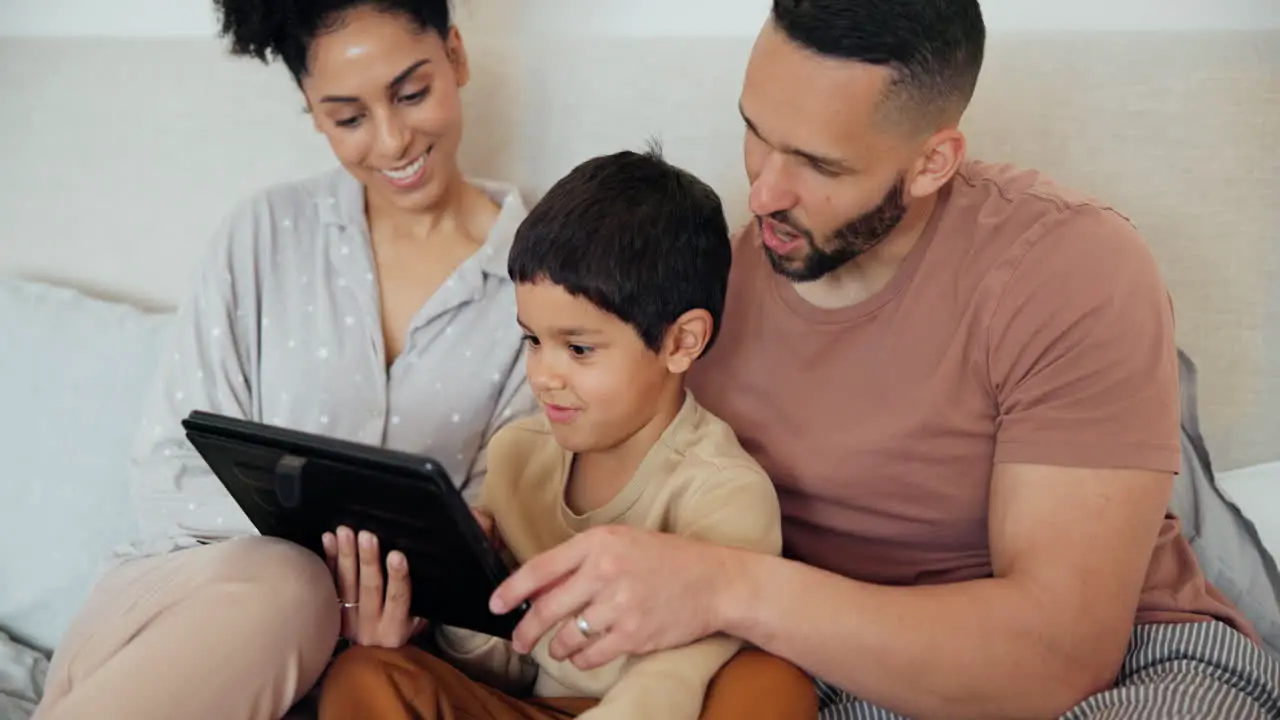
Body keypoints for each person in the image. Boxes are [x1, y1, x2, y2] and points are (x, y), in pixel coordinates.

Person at [482, 2, 1280, 719]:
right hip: (816, 669)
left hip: (1127, 671)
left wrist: (720, 585)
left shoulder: (1070, 271)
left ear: (933, 162)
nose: (761, 191)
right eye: (755, 131)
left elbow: (1059, 660)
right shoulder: (709, 294)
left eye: (819, 165)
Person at [34, 2, 538, 718]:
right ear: (311, 109)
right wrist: (325, 585)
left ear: (455, 55)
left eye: (412, 93)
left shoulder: (540, 288)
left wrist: (401, 621)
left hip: (363, 670)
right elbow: (169, 478)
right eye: (348, 117)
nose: (393, 141)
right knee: (291, 589)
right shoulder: (263, 236)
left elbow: (493, 581)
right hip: (171, 620)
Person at [317, 146, 818, 720]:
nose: (544, 376)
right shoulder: (516, 455)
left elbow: (679, 676)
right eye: (532, 340)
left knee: (772, 685)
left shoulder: (724, 492)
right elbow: (512, 667)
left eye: (579, 349)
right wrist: (465, 599)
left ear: (681, 343)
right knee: (366, 672)